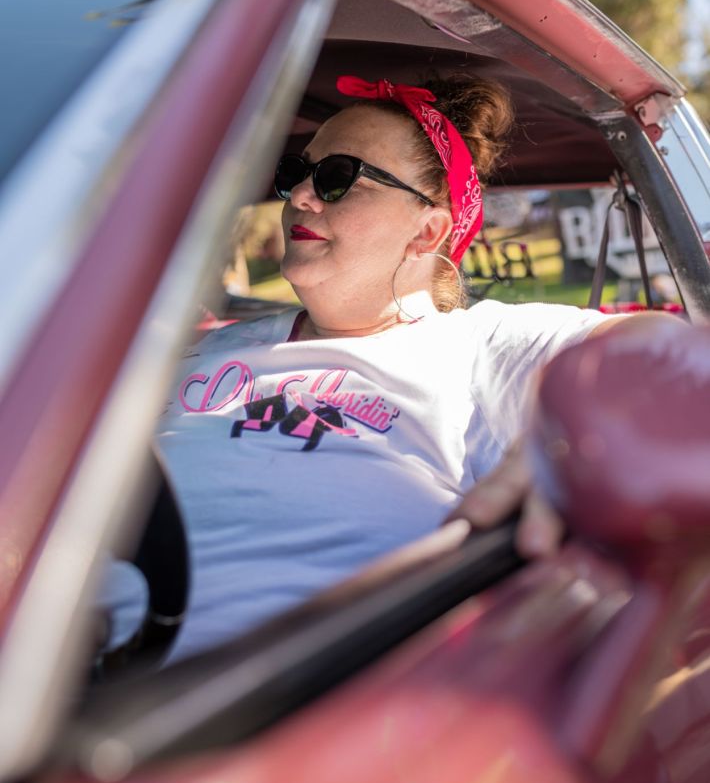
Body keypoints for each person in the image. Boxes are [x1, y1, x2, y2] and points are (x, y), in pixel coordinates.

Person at [104, 73, 672, 663]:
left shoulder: (480, 343)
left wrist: (580, 436)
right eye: (297, 172)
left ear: (427, 231)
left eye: (338, 177)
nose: (300, 195)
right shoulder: (189, 351)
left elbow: (664, 350)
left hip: (294, 699)